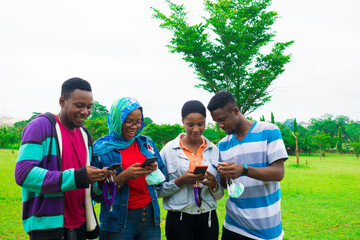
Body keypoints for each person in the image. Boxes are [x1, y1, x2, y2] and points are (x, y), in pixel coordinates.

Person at [14, 77, 109, 240]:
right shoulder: (41, 126)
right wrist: (78, 176)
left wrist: (102, 178)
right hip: (49, 227)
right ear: (62, 101)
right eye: (79, 105)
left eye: (89, 106)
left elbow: (85, 184)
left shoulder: (85, 135)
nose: (85, 111)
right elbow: (23, 174)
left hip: (79, 224)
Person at [207, 91, 288, 240]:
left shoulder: (269, 131)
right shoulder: (223, 144)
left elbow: (278, 173)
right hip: (233, 226)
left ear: (235, 111)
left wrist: (244, 170)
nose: (220, 125)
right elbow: (227, 186)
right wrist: (222, 177)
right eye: (217, 122)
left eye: (222, 119)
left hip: (266, 230)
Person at [91, 97, 166, 240]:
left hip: (149, 216)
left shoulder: (146, 143)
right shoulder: (101, 149)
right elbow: (96, 194)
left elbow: (162, 179)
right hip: (117, 219)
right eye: (128, 121)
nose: (134, 126)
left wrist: (155, 171)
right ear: (116, 120)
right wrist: (122, 178)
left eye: (138, 122)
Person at [157, 100, 224, 240]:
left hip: (208, 219)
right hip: (178, 220)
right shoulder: (168, 151)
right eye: (190, 124)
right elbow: (158, 191)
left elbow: (219, 195)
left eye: (200, 124)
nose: (195, 129)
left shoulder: (214, 151)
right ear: (182, 121)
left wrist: (213, 184)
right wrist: (180, 181)